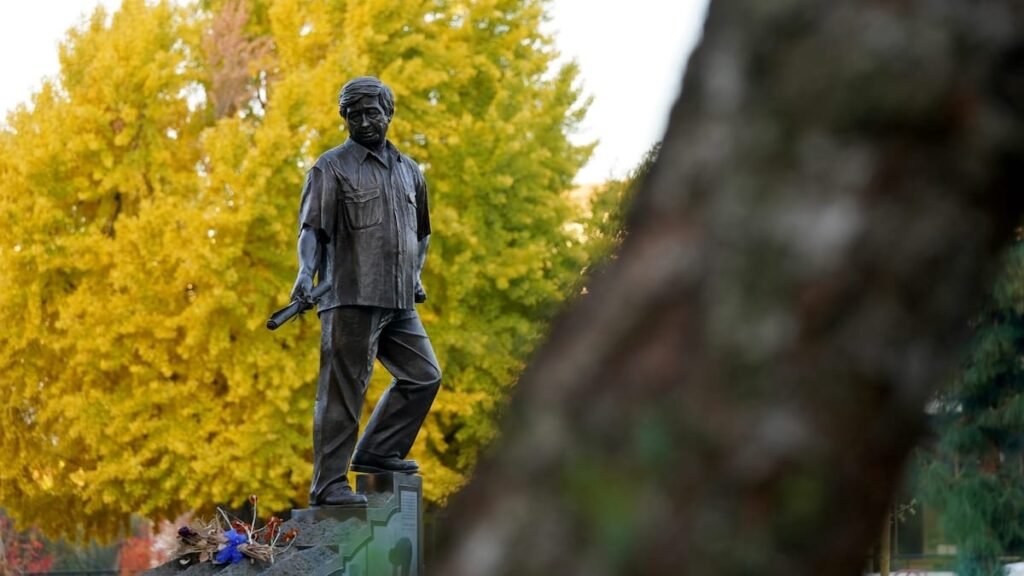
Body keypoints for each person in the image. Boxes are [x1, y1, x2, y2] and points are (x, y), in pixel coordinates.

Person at [291, 76, 441, 508]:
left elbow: (422, 233)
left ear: (388, 113)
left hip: (397, 298)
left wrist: (415, 274)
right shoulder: (331, 166)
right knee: (344, 390)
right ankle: (329, 485)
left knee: (424, 376)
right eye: (353, 115)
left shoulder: (410, 171)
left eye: (371, 113)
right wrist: (306, 273)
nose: (363, 122)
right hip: (350, 295)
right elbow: (312, 230)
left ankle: (378, 451)